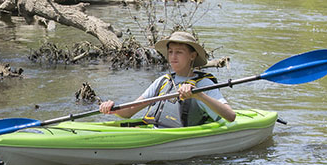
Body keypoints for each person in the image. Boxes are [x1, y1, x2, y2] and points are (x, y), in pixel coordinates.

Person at [99, 31, 236, 127]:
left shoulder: (204, 84)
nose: (173, 57)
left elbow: (230, 116)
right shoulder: (163, 81)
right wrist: (113, 109)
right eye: (170, 52)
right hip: (154, 130)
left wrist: (199, 95)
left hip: (179, 138)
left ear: (192, 56)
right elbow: (129, 112)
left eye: (179, 52)